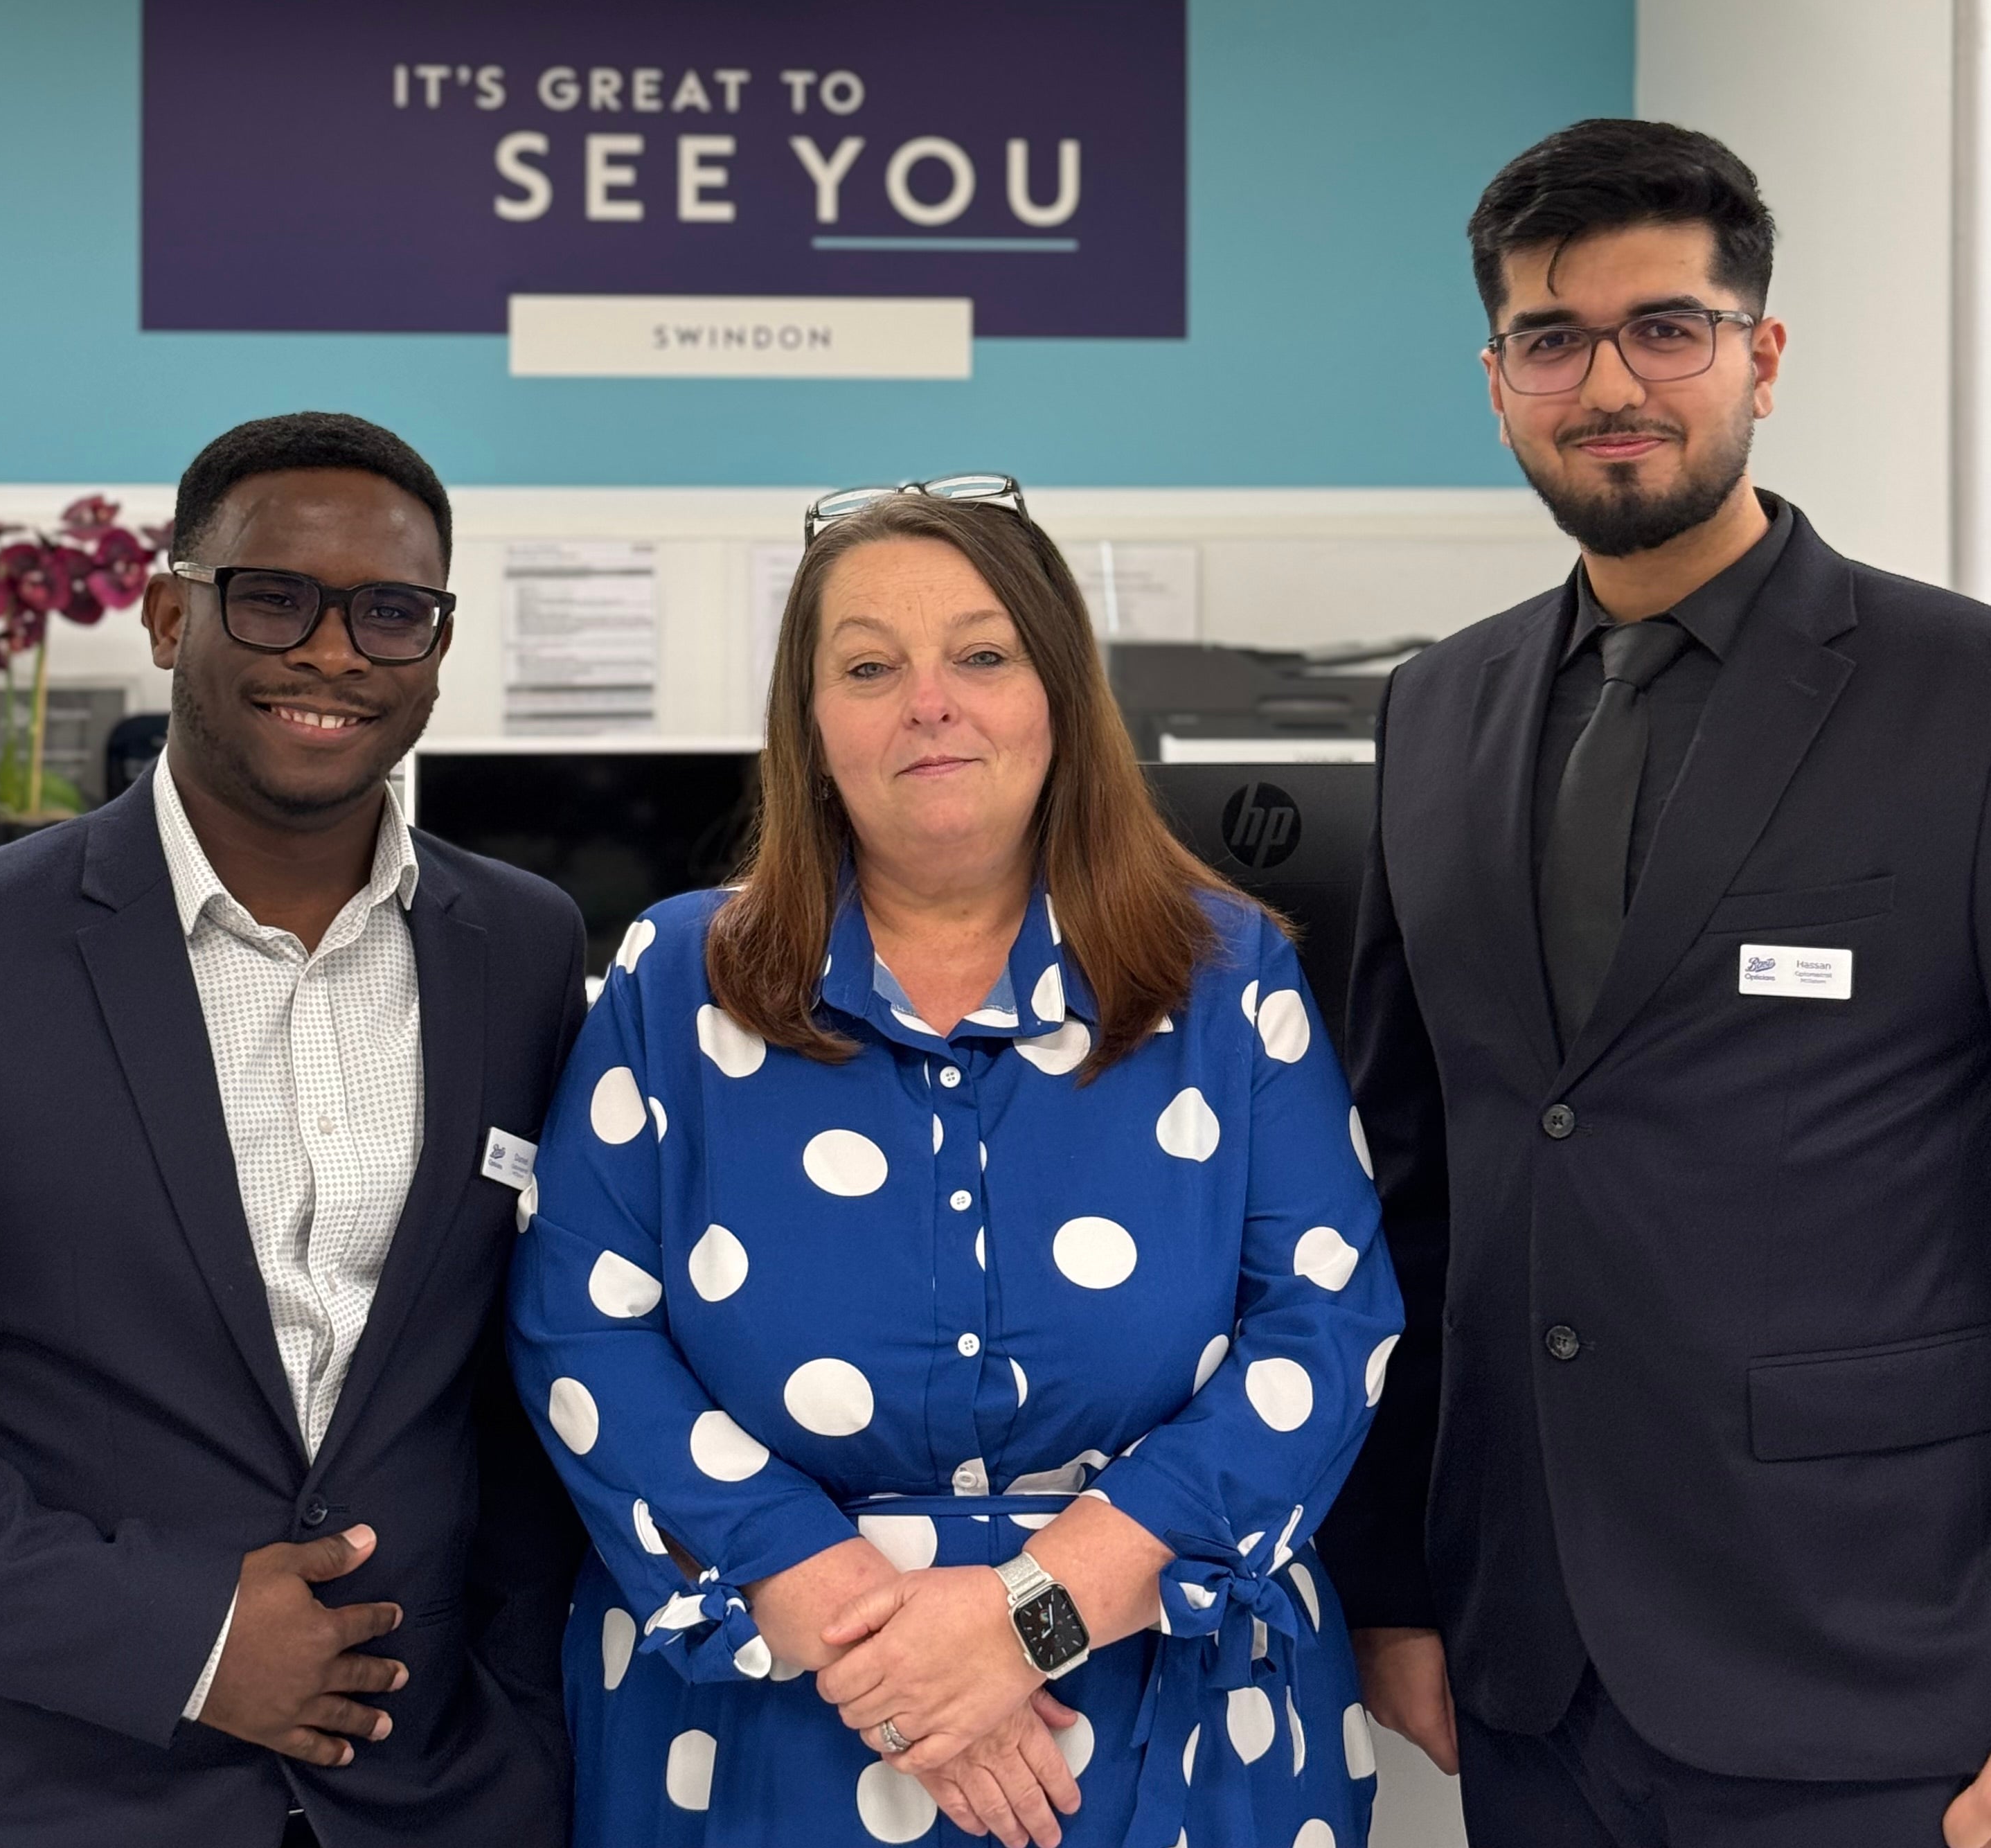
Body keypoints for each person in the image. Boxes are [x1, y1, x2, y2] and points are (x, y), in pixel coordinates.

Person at [509, 475, 1402, 1848]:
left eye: (982, 656)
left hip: (1163, 1695)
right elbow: (581, 1330)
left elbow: (1327, 1330)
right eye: (869, 666)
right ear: (811, 728)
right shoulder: (676, 979)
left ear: (1058, 698)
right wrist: (864, 1635)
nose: (931, 701)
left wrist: (1028, 1620)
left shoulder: (1229, 978)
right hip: (770, 1709)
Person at [1322, 118, 1991, 1848]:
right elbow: (1415, 1182)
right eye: (1552, 339)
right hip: (1532, 1665)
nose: (1608, 380)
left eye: (1666, 327)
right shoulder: (1435, 713)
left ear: (1760, 356)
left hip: (1875, 1671)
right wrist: (1393, 1578)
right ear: (1497, 381)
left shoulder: (1962, 699)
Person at [0, 411, 588, 1848]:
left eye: (392, 612)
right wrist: (186, 1638)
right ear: (168, 615)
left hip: (440, 1790)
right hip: (60, 1782)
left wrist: (522, 1713)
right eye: (274, 597)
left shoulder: (524, 951)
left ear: (438, 650)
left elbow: (524, 1374)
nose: (334, 652)